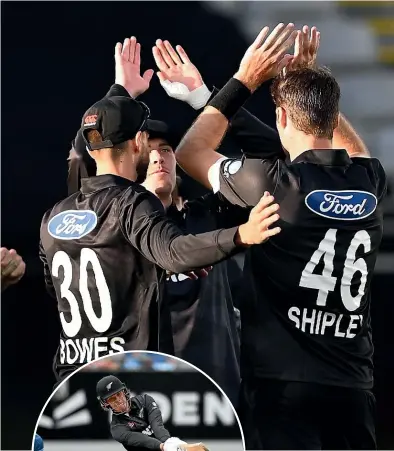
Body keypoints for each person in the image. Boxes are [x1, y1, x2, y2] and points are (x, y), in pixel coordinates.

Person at [174, 23, 387, 450]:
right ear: (331, 115)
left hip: (282, 386)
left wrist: (243, 81)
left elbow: (189, 153)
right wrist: (308, 85)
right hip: (352, 385)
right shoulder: (369, 181)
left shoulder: (272, 182)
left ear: (282, 117)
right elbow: (355, 149)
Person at [39, 36, 282, 383]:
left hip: (82, 385)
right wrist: (240, 236)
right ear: (136, 146)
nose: (155, 155)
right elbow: (172, 250)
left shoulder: (57, 216)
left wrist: (198, 97)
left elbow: (269, 164)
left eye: (166, 148)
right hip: (136, 387)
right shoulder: (128, 206)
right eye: (148, 145)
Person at [141, 120, 246, 406]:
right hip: (149, 391)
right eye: (148, 151)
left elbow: (262, 171)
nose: (158, 157)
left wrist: (206, 99)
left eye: (165, 149)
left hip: (218, 390)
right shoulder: (119, 229)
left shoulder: (206, 216)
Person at [96, 375, 208, 451]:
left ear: (124, 392)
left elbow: (158, 427)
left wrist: (170, 445)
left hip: (167, 445)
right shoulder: (117, 429)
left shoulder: (145, 401)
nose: (119, 401)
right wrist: (165, 447)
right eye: (112, 399)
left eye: (119, 394)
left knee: (173, 441)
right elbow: (143, 441)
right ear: (106, 404)